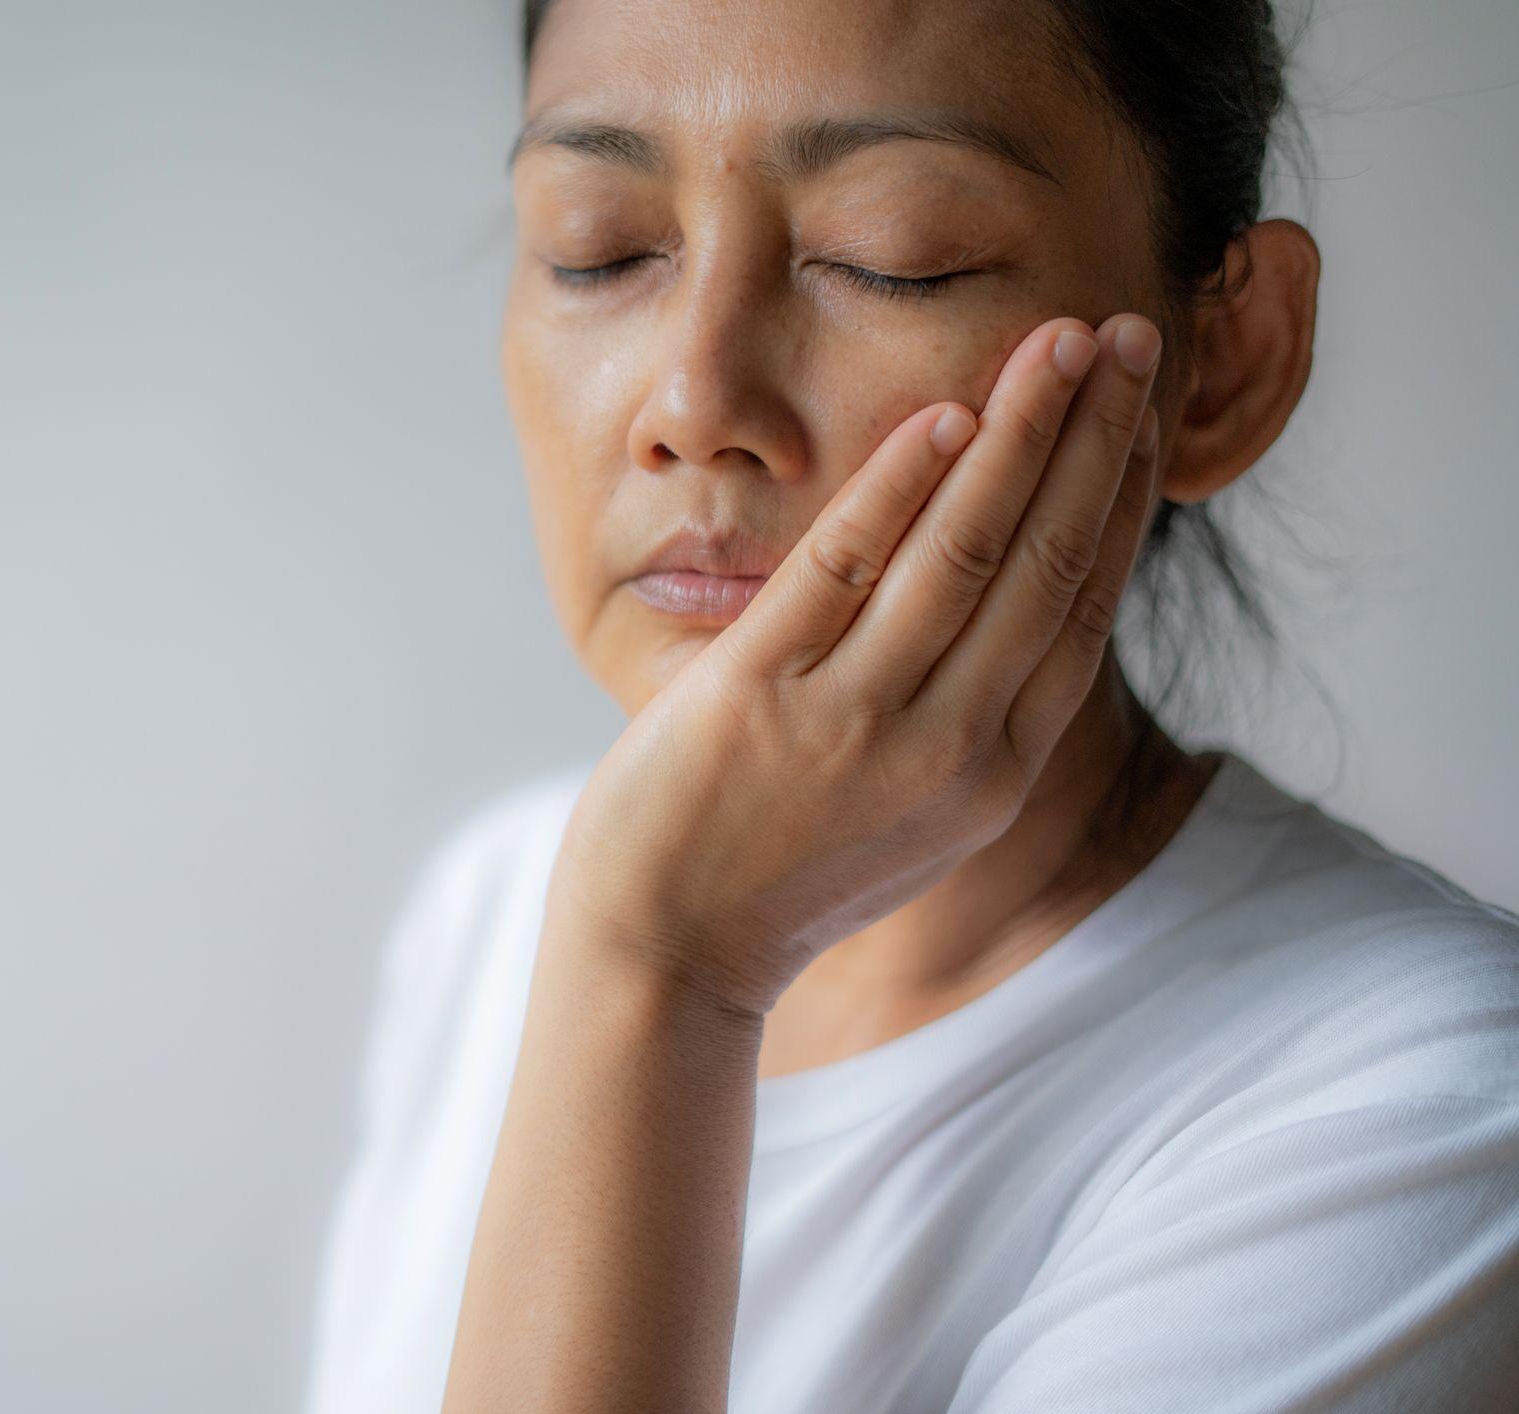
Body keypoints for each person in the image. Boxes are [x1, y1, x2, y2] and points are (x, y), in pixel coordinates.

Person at [303, 1, 1519, 1410]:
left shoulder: (1411, 1112)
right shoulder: (496, 912)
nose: (694, 400)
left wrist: (663, 968)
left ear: (1222, 363)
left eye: (892, 258)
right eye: (601, 246)